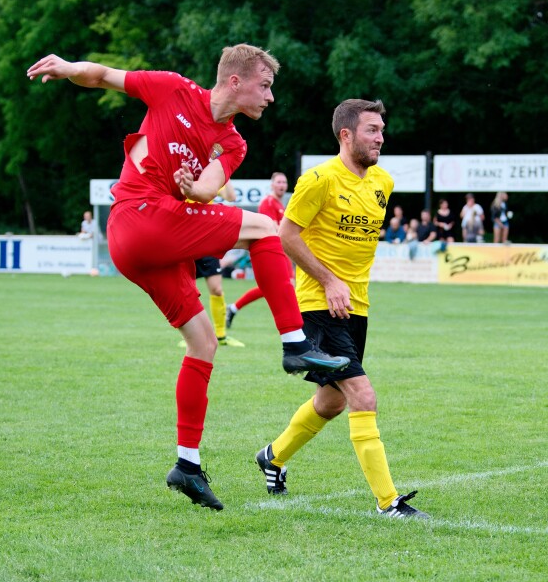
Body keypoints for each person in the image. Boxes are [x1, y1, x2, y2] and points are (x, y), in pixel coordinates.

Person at [26, 45, 349, 511]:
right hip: (138, 217)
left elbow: (205, 186)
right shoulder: (172, 89)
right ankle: (295, 343)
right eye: (265, 84)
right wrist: (67, 67)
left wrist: (192, 188)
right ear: (235, 81)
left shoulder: (234, 142)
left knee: (203, 343)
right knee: (264, 228)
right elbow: (103, 76)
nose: (271, 96)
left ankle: (187, 465)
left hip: (150, 243)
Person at [255, 98, 428, 519]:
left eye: (382, 129)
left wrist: (347, 286)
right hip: (318, 305)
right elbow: (287, 234)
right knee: (363, 395)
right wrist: (329, 279)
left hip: (357, 308)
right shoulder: (318, 180)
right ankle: (388, 502)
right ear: (346, 135)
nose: (380, 137)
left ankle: (272, 457)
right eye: (372, 130)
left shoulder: (382, 183)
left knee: (331, 402)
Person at [226, 172, 294, 329]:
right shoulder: (268, 203)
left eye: (284, 182)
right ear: (272, 185)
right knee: (283, 285)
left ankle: (234, 308)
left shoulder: (278, 204)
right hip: (275, 251)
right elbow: (271, 228)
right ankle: (293, 323)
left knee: (279, 286)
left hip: (283, 250)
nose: (282, 185)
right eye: (278, 182)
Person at [182, 182, 245, 348]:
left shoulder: (209, 179)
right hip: (186, 239)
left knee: (216, 289)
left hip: (207, 239)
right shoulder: (186, 175)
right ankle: (189, 337)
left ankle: (221, 336)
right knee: (187, 290)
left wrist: (225, 168)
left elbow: (231, 196)